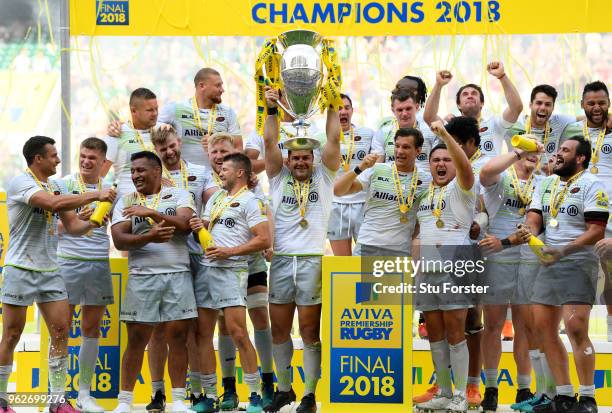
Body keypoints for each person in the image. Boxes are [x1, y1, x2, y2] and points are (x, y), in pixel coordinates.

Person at [0, 136, 116, 413]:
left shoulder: (52, 186)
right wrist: (94, 194)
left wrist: (90, 219)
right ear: (38, 159)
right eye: (53, 155)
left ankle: (58, 401)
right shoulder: (21, 183)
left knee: (61, 332)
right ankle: (2, 399)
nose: (58, 160)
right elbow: (51, 205)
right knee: (12, 334)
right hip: (21, 268)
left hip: (51, 270)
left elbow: (73, 227)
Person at [514, 136, 609, 413]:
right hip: (548, 263)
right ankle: (565, 396)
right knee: (544, 330)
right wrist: (528, 231)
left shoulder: (593, 185)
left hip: (578, 262)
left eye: (565, 151)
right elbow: (535, 218)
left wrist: (563, 251)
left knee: (576, 328)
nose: (558, 154)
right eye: (558, 149)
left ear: (580, 158)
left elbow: (596, 230)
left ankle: (588, 398)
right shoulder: (545, 184)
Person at [262, 85, 340, 413]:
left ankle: (309, 394)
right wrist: (270, 109)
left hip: (311, 261)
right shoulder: (278, 177)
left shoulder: (324, 176)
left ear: (314, 158)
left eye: (305, 156)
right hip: (280, 261)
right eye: (295, 157)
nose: (300, 161)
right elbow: (268, 141)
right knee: (279, 329)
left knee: (309, 330)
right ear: (288, 159)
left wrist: (333, 103)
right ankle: (284, 388)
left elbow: (334, 140)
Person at [111, 151, 197, 413]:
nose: (136, 175)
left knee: (178, 337)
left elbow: (185, 225)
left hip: (177, 274)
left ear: (157, 172)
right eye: (133, 171)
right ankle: (124, 401)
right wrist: (149, 237)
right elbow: (118, 240)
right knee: (137, 339)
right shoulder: (126, 201)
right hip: (142, 277)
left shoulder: (181, 194)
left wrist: (151, 212)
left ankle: (179, 400)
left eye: (141, 170)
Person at [189, 153, 271, 413]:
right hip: (206, 269)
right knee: (203, 334)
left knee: (237, 332)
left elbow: (263, 239)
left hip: (231, 271)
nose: (220, 173)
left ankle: (255, 395)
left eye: (224, 169)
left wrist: (229, 252)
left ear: (240, 173)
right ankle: (211, 395)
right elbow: (212, 228)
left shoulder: (251, 200)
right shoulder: (215, 198)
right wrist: (198, 226)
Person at [144, 127, 218, 411]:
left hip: (198, 257)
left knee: (196, 328)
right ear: (156, 150)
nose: (170, 152)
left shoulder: (200, 171)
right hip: (165, 256)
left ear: (180, 143)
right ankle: (157, 393)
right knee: (159, 329)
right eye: (163, 150)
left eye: (173, 146)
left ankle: (199, 391)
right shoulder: (149, 178)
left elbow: (214, 201)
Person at [413, 120, 478, 413]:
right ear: (429, 165)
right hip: (427, 270)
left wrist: (446, 137)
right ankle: (443, 391)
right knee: (435, 334)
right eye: (435, 160)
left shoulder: (462, 187)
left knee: (455, 334)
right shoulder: (425, 193)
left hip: (456, 269)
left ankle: (461, 396)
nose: (441, 164)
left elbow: (466, 168)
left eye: (446, 160)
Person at [477, 137, 544, 412]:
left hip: (528, 257)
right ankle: (491, 388)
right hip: (498, 253)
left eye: (538, 151)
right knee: (492, 323)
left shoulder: (542, 182)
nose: (534, 154)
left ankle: (523, 388)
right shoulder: (501, 176)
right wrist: (517, 152)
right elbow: (484, 173)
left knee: (525, 326)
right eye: (530, 149)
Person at [55, 138, 116, 413]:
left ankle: (84, 395)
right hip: (68, 262)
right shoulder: (65, 184)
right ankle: (56, 396)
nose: (86, 161)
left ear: (103, 162)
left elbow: (117, 227)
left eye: (92, 158)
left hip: (98, 263)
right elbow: (52, 227)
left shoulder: (110, 190)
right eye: (83, 156)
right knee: (61, 330)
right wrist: (79, 219)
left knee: (91, 330)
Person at [563, 81, 612, 345]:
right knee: (576, 273)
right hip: (578, 214)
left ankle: (611, 333)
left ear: (608, 103)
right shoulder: (571, 130)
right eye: (591, 103)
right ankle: (572, 326)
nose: (596, 108)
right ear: (582, 104)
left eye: (601, 102)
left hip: (609, 216)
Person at [334, 127, 430, 256]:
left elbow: (423, 219)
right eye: (397, 146)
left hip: (400, 250)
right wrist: (360, 167)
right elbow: (338, 191)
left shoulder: (426, 180)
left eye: (406, 147)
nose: (400, 151)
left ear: (418, 151)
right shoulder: (376, 170)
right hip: (367, 246)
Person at [423, 63, 523, 160]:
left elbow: (516, 108)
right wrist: (438, 85)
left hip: (490, 177)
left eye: (474, 93)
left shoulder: (495, 124)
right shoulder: (451, 128)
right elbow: (429, 117)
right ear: (458, 105)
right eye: (465, 94)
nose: (470, 96)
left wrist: (502, 76)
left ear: (482, 103)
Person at [158, 68, 242, 166]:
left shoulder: (228, 113)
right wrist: (162, 128)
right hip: (186, 178)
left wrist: (217, 145)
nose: (222, 90)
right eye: (218, 85)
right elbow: (151, 129)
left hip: (218, 178)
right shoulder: (176, 109)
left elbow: (239, 151)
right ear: (202, 86)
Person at [328, 93, 374, 256]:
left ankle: (366, 283)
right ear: (332, 113)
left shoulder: (368, 134)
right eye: (338, 108)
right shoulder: (322, 138)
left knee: (366, 259)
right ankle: (346, 283)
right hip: (336, 205)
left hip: (363, 202)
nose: (343, 112)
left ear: (352, 111)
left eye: (346, 108)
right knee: (343, 263)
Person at [103, 88, 160, 197]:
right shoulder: (117, 133)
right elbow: (100, 175)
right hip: (127, 205)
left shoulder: (162, 130)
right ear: (133, 111)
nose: (155, 113)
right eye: (149, 110)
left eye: (156, 109)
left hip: (158, 203)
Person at [372, 88, 438, 169]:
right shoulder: (383, 132)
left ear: (417, 107)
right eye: (400, 110)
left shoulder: (430, 131)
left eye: (408, 109)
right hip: (393, 180)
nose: (404, 114)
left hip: (423, 181)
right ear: (393, 110)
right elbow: (376, 167)